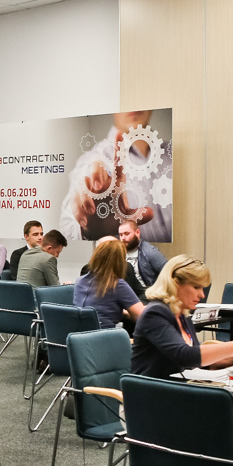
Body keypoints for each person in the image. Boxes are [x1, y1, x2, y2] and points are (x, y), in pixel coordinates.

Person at [132, 255, 233, 379]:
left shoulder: (182, 315)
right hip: (151, 391)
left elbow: (197, 359)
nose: (202, 295)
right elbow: (185, 356)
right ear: (175, 284)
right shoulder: (155, 314)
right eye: (196, 287)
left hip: (175, 388)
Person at [60, 110, 171, 243]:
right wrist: (88, 230)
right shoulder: (92, 161)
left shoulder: (172, 154)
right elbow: (67, 228)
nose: (133, 106)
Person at [74, 239, 145, 329]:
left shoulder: (79, 281)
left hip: (78, 334)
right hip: (105, 335)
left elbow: (98, 310)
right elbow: (142, 316)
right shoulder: (117, 285)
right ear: (120, 261)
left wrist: (124, 313)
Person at [118, 219, 168, 289]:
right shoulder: (118, 253)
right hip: (125, 292)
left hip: (146, 293)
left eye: (126, 234)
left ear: (137, 233)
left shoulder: (150, 252)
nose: (123, 238)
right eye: (121, 235)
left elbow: (169, 273)